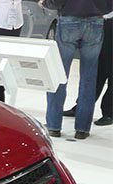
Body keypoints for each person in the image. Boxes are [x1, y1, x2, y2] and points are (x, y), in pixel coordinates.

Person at [42, 0, 113, 139]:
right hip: (95, 22)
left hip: (69, 20)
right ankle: (82, 129)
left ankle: (53, 125)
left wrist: (45, 3)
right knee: (89, 78)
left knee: (60, 74)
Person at [63, 11, 113, 126]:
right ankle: (82, 107)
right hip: (98, 22)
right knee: (96, 68)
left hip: (107, 20)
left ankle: (109, 112)